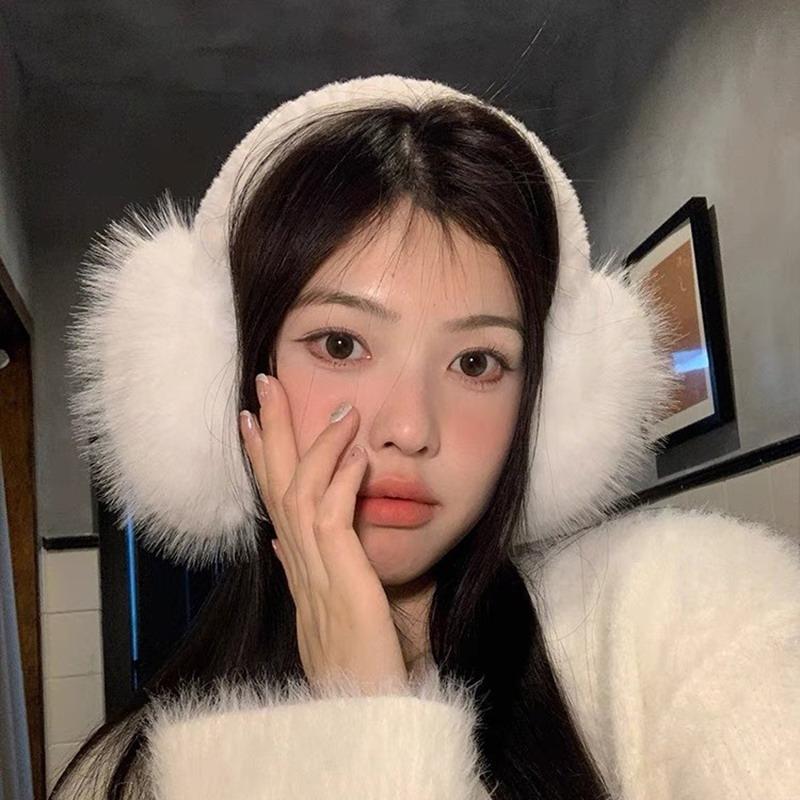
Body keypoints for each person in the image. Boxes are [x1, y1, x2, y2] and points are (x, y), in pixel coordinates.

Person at [57, 74, 799, 799]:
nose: (410, 429)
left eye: (476, 362)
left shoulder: (686, 622)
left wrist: (367, 714)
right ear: (238, 375)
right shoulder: (122, 778)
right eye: (341, 345)